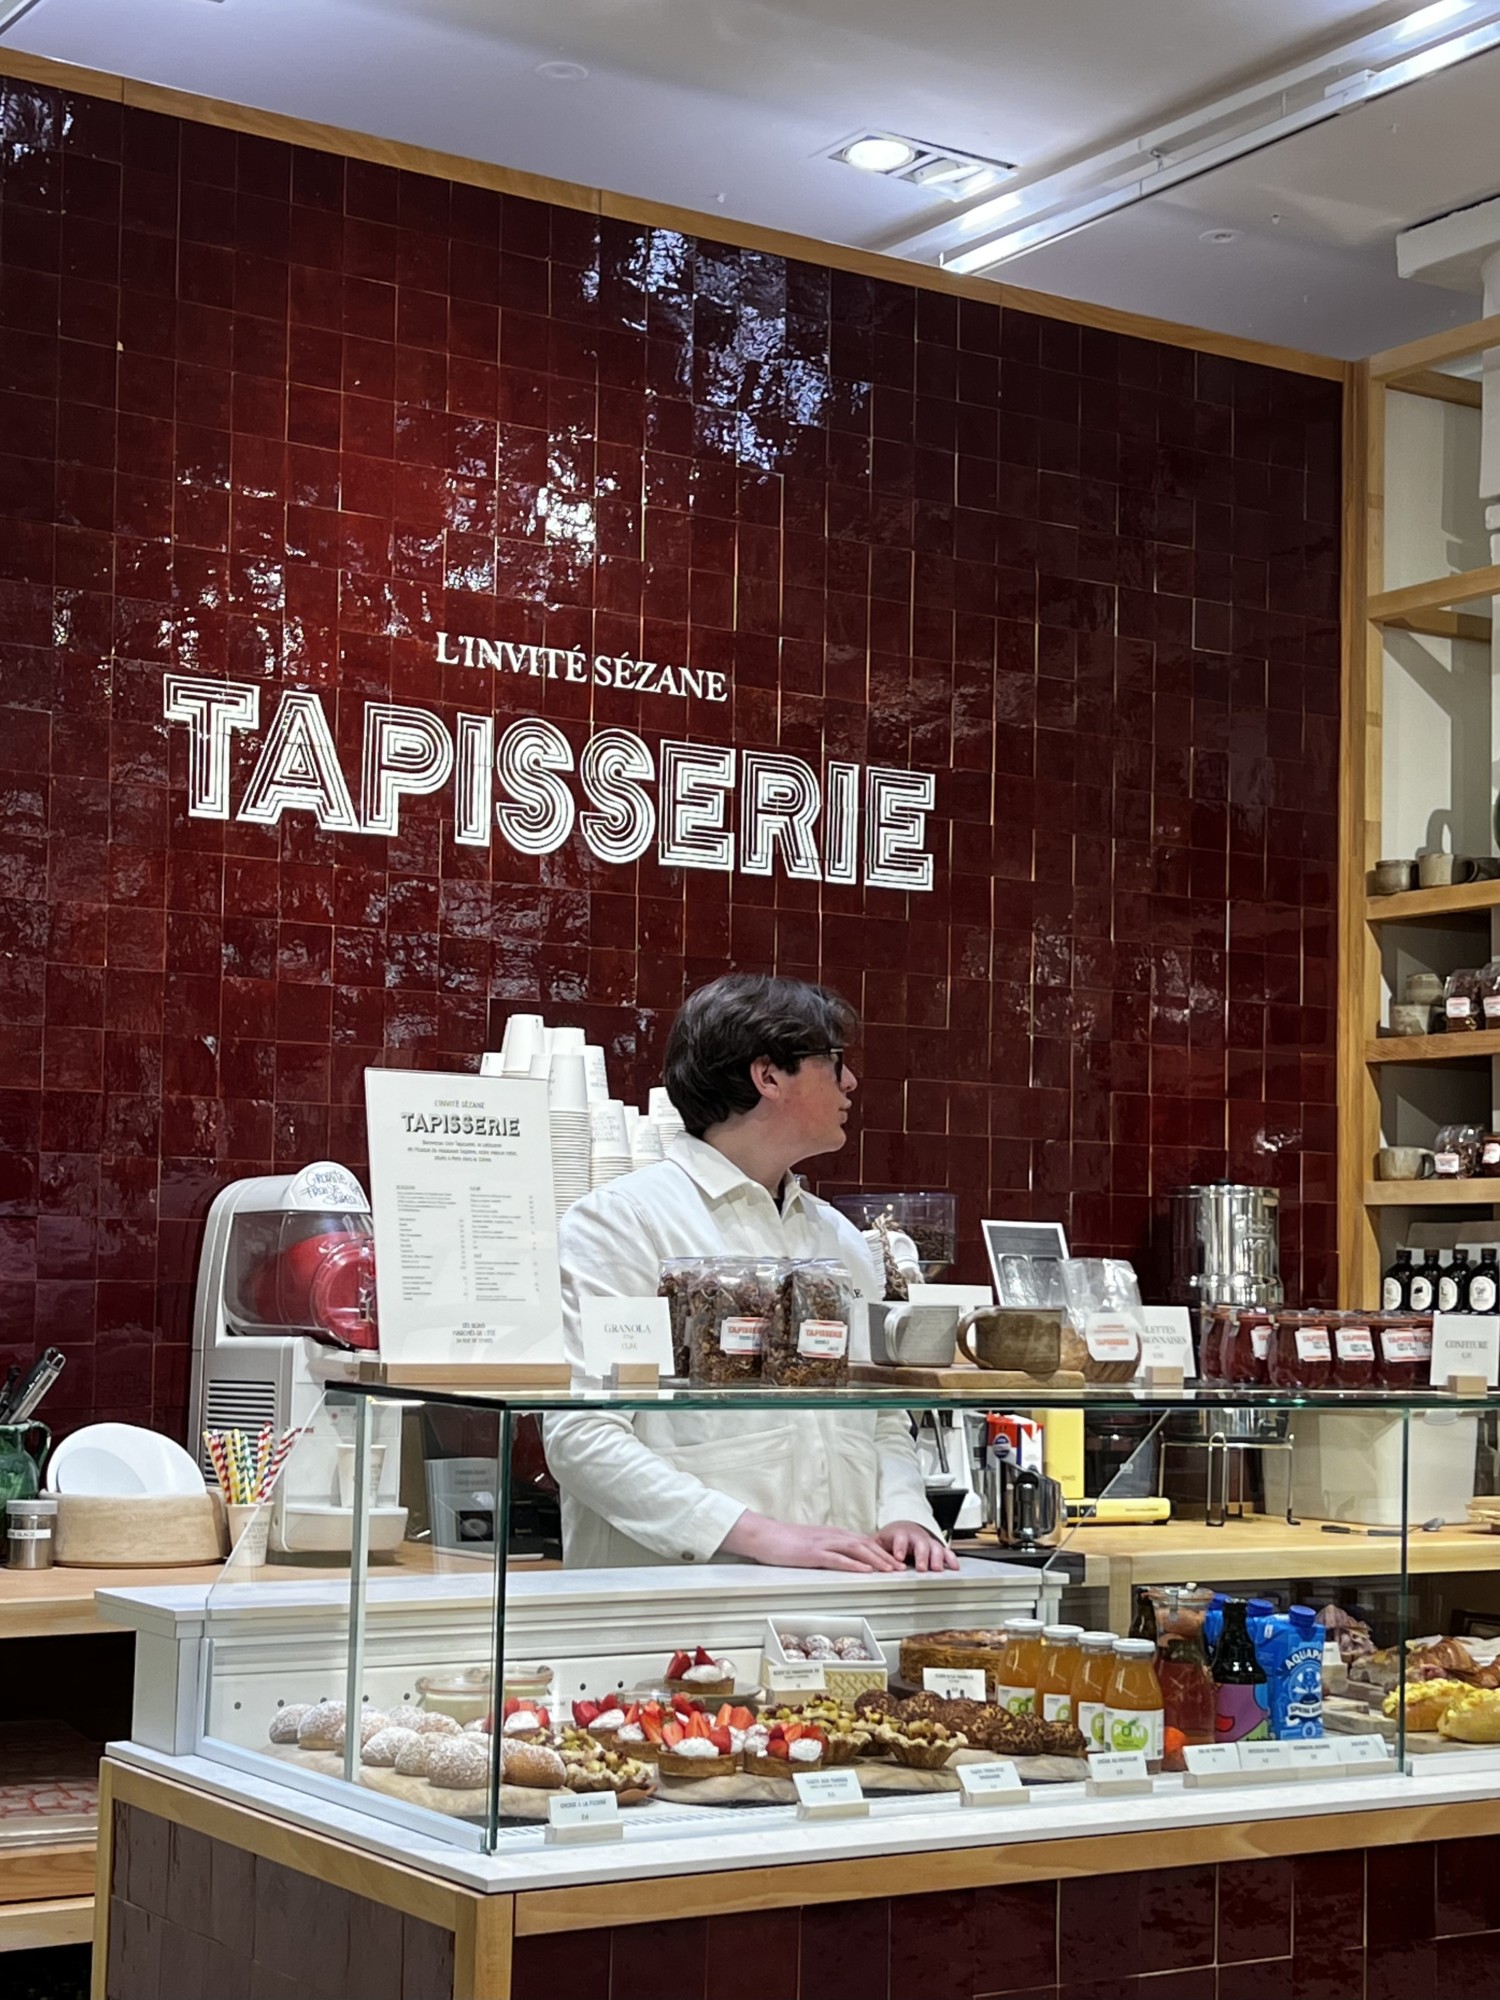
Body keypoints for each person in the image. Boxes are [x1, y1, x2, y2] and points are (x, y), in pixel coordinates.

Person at [543, 974, 957, 1574]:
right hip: (675, 1603)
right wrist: (765, 1536)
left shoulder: (837, 1235)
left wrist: (905, 1513)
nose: (850, 1082)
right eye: (833, 1061)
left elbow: (881, 1413)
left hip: (845, 1592)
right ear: (767, 1076)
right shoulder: (621, 1223)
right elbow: (584, 1440)